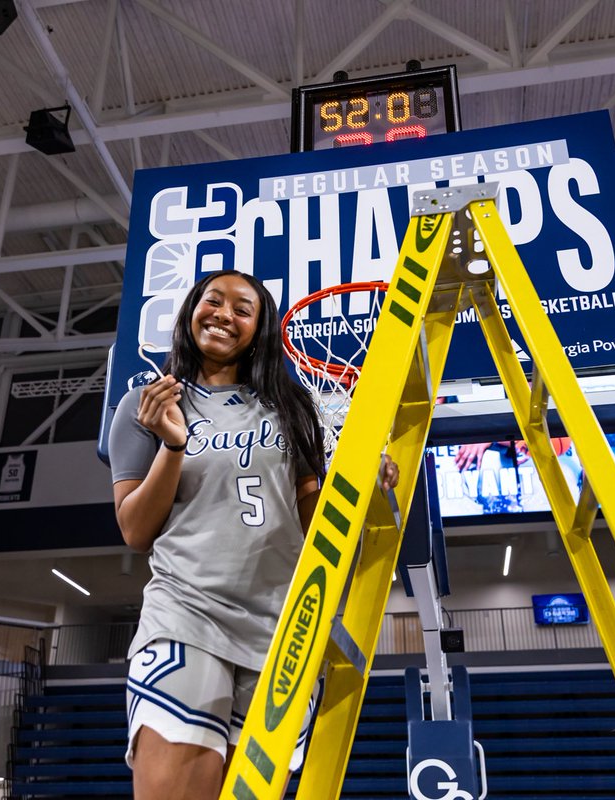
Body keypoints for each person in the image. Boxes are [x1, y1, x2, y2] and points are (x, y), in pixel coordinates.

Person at [109, 271, 400, 800]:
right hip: (187, 614)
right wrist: (173, 446)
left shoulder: (294, 407)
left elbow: (314, 519)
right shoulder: (144, 405)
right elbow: (134, 530)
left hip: (283, 626)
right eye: (213, 301)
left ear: (259, 329)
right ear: (191, 310)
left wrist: (353, 492)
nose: (224, 314)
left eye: (243, 309)